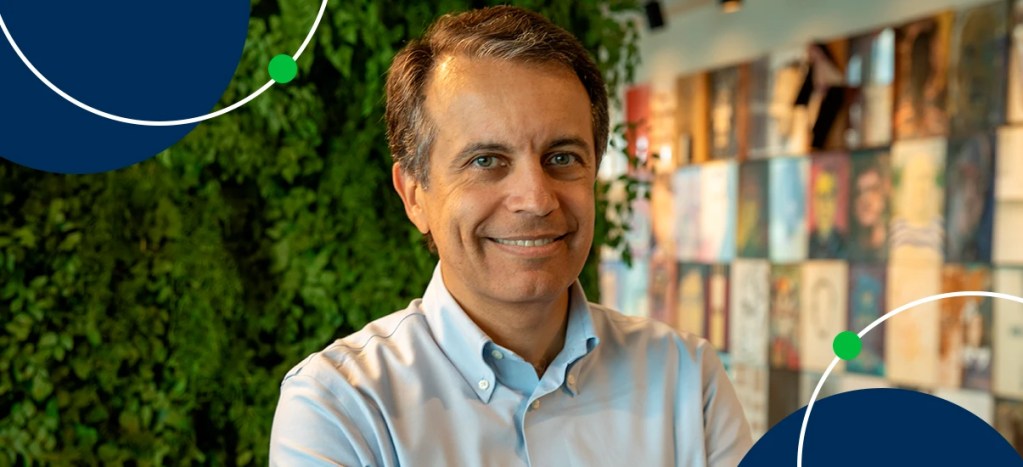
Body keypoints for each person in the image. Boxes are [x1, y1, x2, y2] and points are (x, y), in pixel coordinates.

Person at [269, 6, 752, 466]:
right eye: (486, 161)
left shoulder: (688, 380)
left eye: (562, 157)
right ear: (415, 195)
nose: (536, 199)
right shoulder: (341, 406)